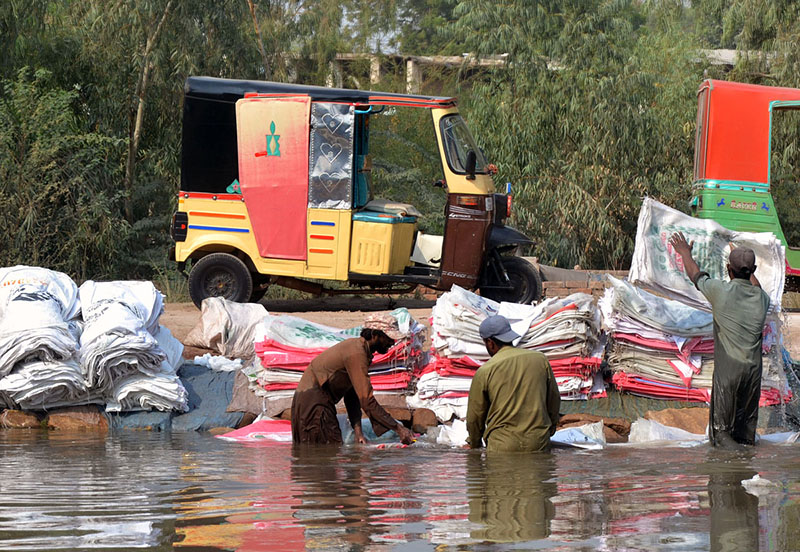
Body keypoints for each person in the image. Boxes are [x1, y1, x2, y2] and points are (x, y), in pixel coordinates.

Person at [669, 232, 770, 447]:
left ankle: (731, 468)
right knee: (745, 436)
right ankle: (747, 473)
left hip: (729, 372)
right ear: (753, 271)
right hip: (753, 372)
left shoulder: (720, 292)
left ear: (728, 270)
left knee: (722, 435)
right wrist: (742, 262)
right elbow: (756, 286)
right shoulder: (762, 299)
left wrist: (684, 252)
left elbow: (696, 275)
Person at [291, 313, 415, 445]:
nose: (392, 342)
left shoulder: (361, 351)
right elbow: (367, 400)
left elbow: (352, 396)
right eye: (388, 338)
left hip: (311, 403)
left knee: (320, 453)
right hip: (314, 405)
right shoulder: (356, 353)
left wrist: (358, 433)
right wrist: (398, 428)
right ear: (374, 335)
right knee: (326, 452)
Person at [466, 315, 561, 452]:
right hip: (538, 443)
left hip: (502, 446)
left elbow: (474, 417)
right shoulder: (540, 360)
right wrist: (549, 430)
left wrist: (474, 443)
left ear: (490, 343)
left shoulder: (485, 371)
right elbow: (554, 400)